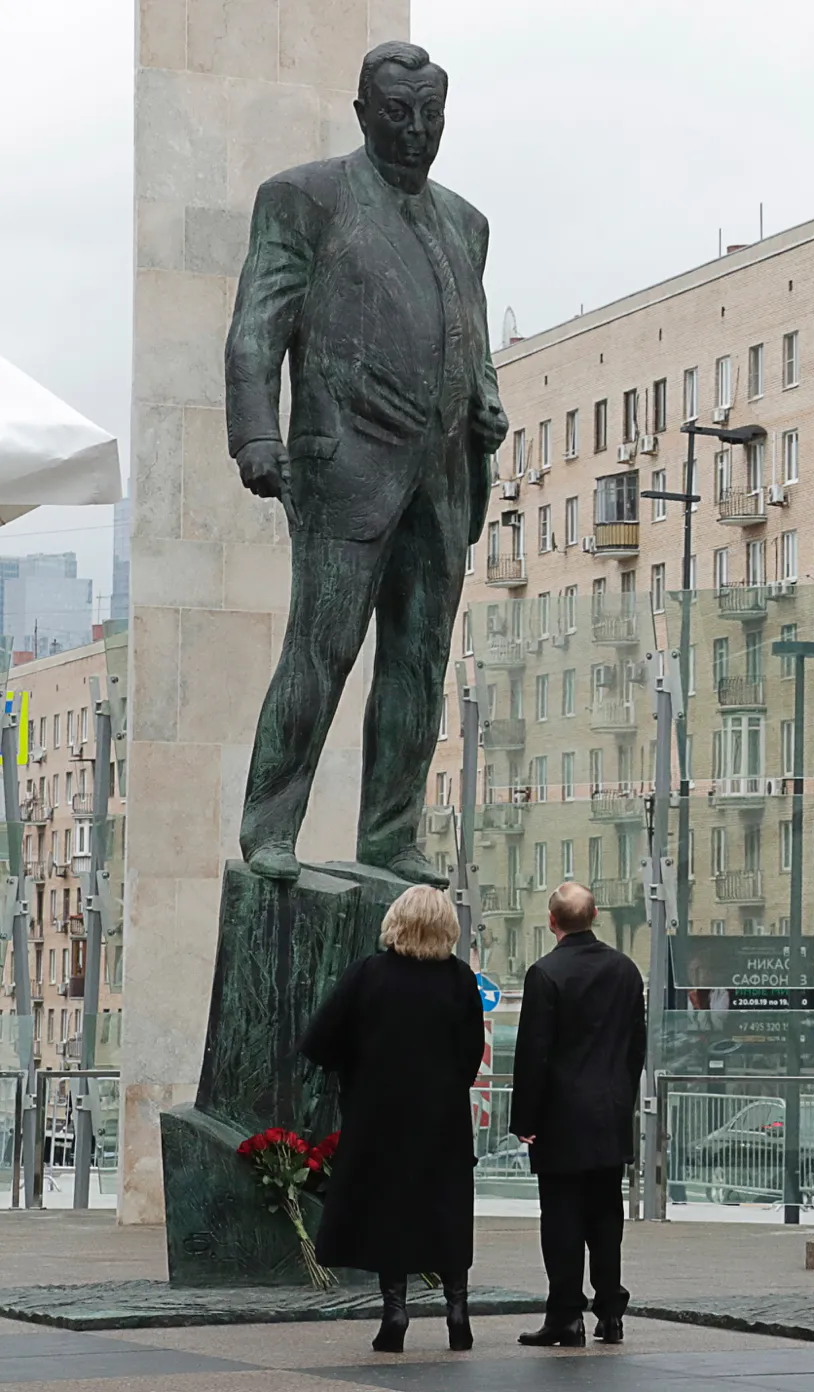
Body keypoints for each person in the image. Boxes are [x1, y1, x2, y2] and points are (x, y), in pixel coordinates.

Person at [224, 41, 506, 885]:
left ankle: (391, 834)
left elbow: (469, 333)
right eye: (398, 114)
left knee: (418, 663)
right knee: (320, 650)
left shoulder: (467, 222)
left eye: (431, 116)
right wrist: (255, 434)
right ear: (362, 113)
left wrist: (487, 395)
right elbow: (255, 327)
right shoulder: (304, 198)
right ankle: (268, 827)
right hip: (343, 464)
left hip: (444, 473)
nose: (417, 131)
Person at [300, 884, 485, 1353]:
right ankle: (457, 1309)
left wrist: (358, 1066)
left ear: (396, 922)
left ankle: (395, 1312)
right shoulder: (461, 979)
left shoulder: (369, 974)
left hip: (379, 1117)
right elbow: (470, 1056)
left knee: (389, 1212)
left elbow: (320, 1040)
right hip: (442, 1119)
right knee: (446, 1210)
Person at [511, 882, 648, 1347]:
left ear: (552, 922)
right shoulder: (626, 971)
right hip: (609, 1113)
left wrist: (524, 1120)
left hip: (560, 1119)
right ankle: (611, 1313)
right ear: (595, 916)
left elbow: (534, 1053)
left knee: (562, 1218)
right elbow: (636, 1046)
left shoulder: (545, 974)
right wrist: (621, 1099)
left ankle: (566, 1315)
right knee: (607, 1216)